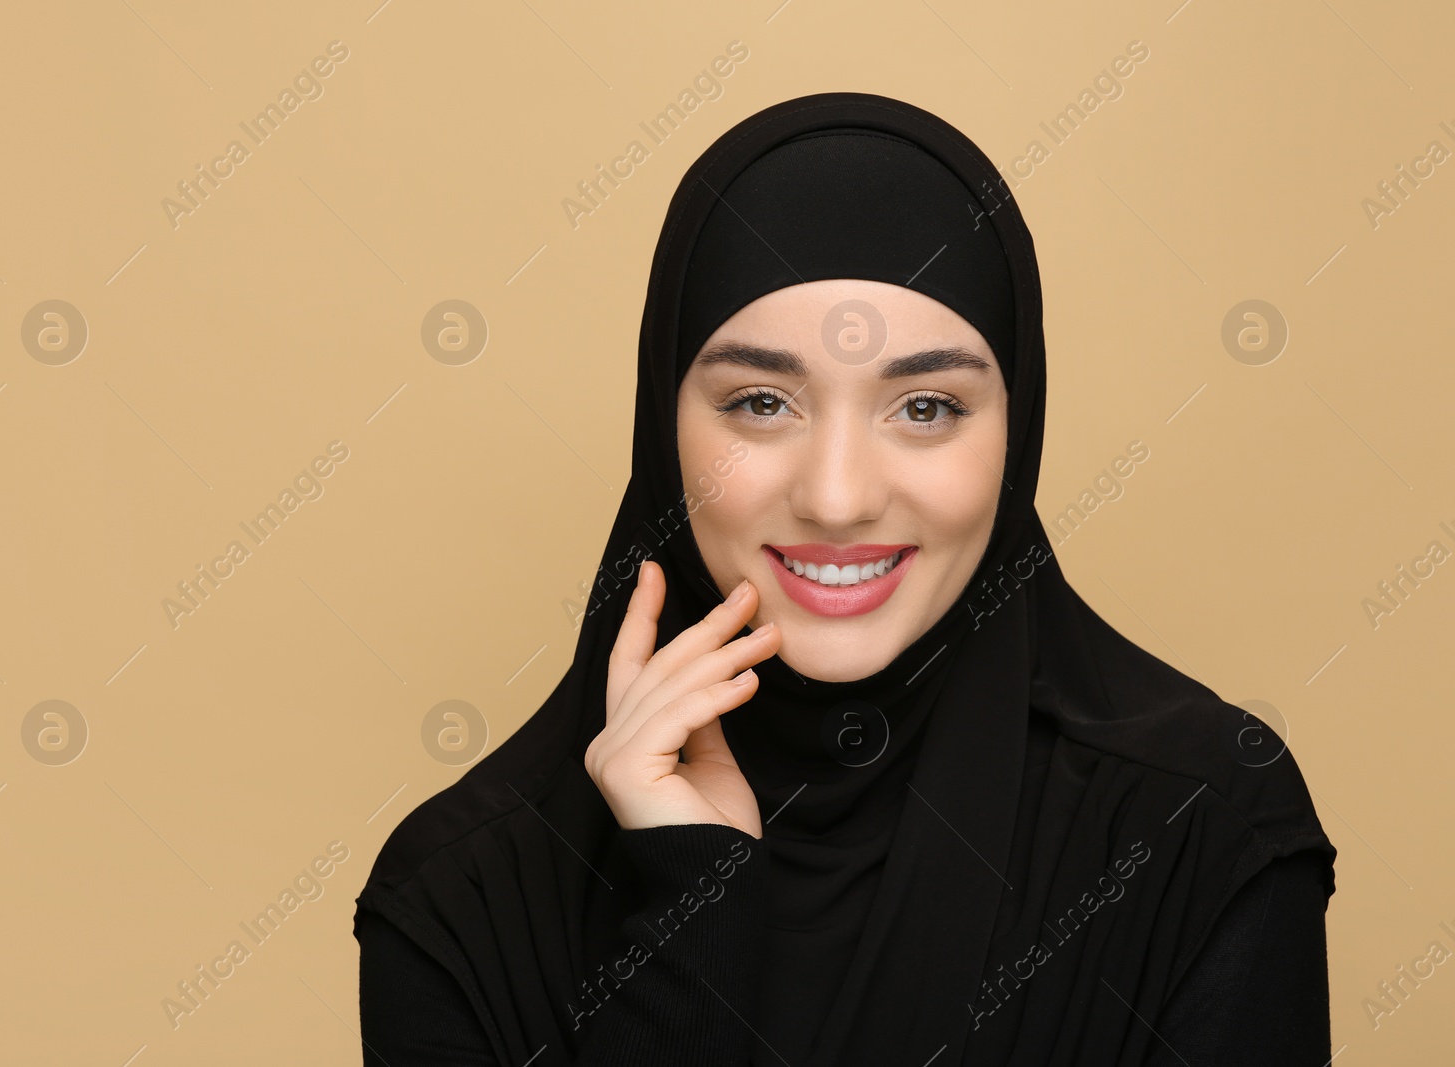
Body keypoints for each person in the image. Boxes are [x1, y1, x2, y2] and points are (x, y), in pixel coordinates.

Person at [353, 91, 1336, 1066]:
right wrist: (690, 909)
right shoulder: (459, 897)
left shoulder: (1200, 829)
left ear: (1016, 431)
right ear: (663, 425)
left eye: (924, 406)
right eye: (761, 401)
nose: (835, 497)